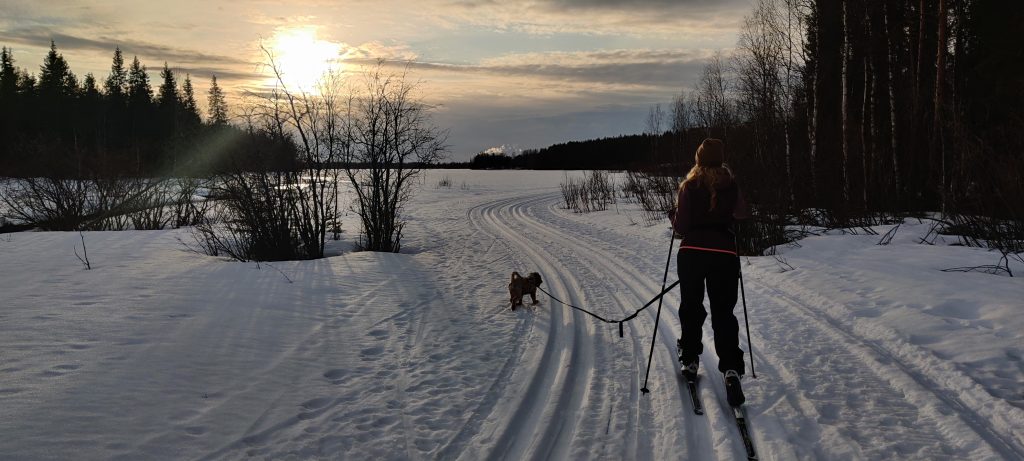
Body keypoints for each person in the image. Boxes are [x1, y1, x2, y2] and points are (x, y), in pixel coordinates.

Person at [668, 138, 750, 407]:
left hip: (692, 252)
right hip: (724, 254)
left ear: (698, 159)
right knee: (723, 312)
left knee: (691, 306)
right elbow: (741, 214)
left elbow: (681, 227)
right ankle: (730, 369)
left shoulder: (689, 185)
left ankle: (690, 359)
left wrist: (673, 216)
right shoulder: (731, 184)